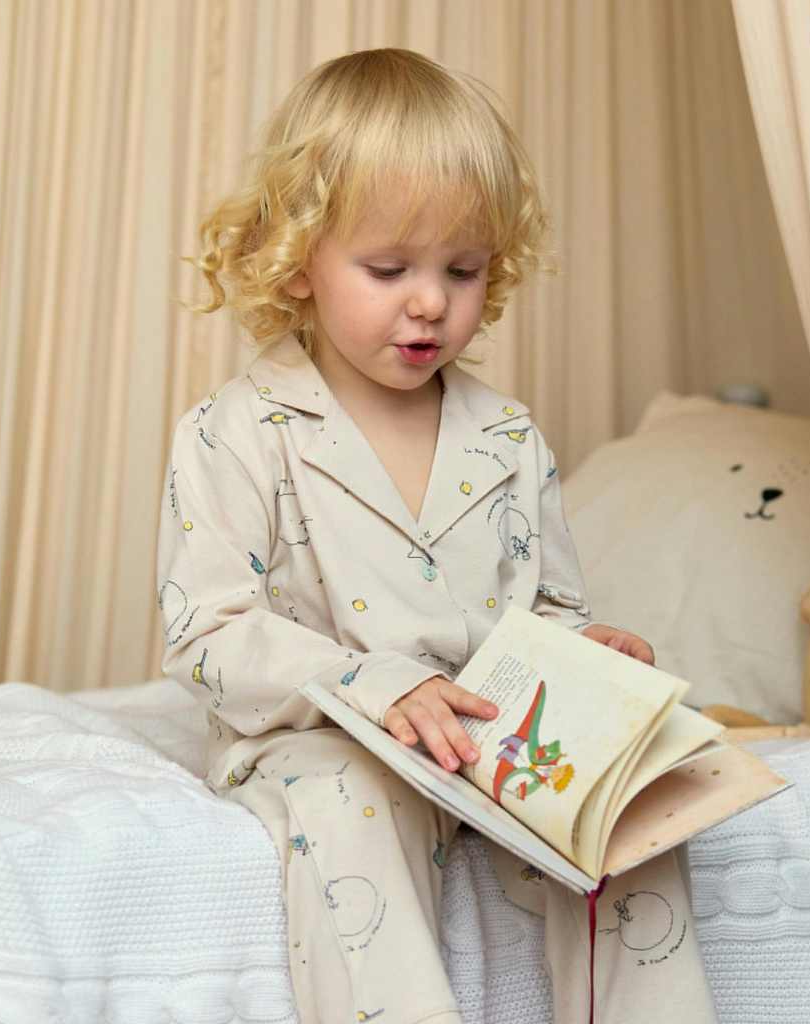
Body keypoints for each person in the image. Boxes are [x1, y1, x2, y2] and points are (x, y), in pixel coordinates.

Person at [157, 47, 717, 1024]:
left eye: (462, 270)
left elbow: (544, 605)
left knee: (637, 802)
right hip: (322, 731)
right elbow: (206, 635)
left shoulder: (506, 435)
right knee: (349, 802)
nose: (429, 302)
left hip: (496, 737)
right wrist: (376, 685)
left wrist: (587, 654)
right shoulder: (235, 430)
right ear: (295, 263)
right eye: (388, 268)